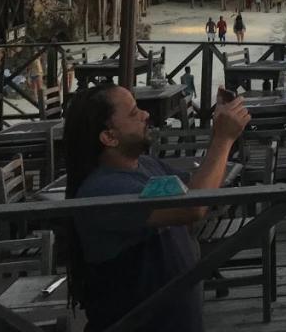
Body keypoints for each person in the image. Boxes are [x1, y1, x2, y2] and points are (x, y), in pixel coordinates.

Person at [62, 83, 250, 331]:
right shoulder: (102, 191)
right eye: (133, 113)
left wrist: (219, 133)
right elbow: (192, 208)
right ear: (109, 137)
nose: (145, 114)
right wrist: (224, 139)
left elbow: (192, 195)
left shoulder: (146, 165)